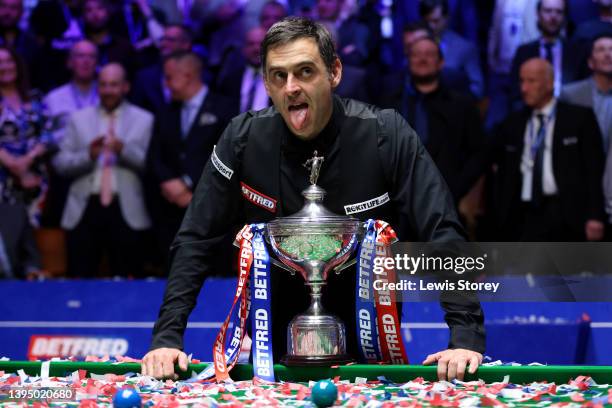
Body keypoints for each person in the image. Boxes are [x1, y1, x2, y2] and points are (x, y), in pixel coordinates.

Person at [142, 17, 484, 382]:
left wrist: (464, 336)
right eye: (278, 76)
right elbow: (196, 237)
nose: (291, 87)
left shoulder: (386, 133)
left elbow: (441, 228)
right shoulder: (241, 139)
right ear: (266, 84)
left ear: (334, 72)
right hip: (272, 361)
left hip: (372, 349)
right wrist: (166, 337)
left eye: (305, 71)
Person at [52, 63, 153, 278]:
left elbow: (151, 166)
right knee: (79, 279)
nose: (108, 90)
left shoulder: (144, 119)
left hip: (126, 208)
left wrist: (123, 149)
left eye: (114, 85)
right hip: (84, 208)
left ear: (125, 87)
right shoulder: (78, 119)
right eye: (103, 85)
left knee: (129, 282)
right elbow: (60, 164)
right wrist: (88, 155)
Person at [490, 58, 605, 241]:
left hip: (566, 214)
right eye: (521, 81)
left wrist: (595, 215)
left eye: (531, 81)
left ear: (550, 83)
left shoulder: (579, 119)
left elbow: (594, 171)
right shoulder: (512, 123)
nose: (524, 88)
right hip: (522, 216)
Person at [146, 51, 235, 265]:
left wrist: (188, 182)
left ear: (186, 75)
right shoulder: (166, 111)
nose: (165, 84)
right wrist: (169, 182)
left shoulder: (225, 108)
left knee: (214, 276)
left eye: (169, 77)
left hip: (211, 207)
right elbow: (155, 155)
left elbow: (227, 155)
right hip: (170, 207)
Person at [380, 36, 484, 204]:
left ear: (441, 62)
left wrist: (455, 190)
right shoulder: (389, 104)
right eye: (416, 54)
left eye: (429, 54)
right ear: (408, 61)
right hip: (397, 203)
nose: (422, 59)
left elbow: (478, 154)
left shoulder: (462, 105)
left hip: (445, 200)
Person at [0, 46, 56, 227]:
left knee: (35, 244)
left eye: (9, 61)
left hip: (36, 180)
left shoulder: (35, 97)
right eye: (0, 63)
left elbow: (49, 134)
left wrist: (27, 160)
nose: (5, 66)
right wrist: (13, 164)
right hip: (3, 182)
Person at [510, 0, 589, 105]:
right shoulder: (524, 52)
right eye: (548, 11)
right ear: (538, 14)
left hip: (569, 110)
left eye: (559, 12)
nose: (553, 17)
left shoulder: (578, 52)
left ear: (565, 16)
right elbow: (516, 93)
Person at [418, 0, 484, 99]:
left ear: (446, 18)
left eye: (436, 21)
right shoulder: (416, 46)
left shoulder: (464, 47)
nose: (431, 26)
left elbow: (477, 89)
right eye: (427, 21)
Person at [561, 34, 612, 153]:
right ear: (590, 62)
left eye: (611, 49)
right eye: (601, 50)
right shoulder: (571, 95)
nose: (607, 55)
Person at [130, 24, 193, 113]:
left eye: (170, 40)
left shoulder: (200, 77)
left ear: (185, 45)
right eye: (162, 39)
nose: (163, 44)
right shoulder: (144, 77)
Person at [214, 27, 270, 113]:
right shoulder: (230, 80)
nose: (256, 49)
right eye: (251, 44)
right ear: (244, 49)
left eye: (261, 44)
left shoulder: (282, 80)